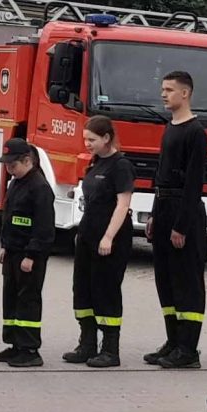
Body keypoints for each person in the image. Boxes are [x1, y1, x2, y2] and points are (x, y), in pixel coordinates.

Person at [144, 70, 207, 369]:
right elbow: (161, 175)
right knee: (166, 281)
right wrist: (155, 217)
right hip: (164, 206)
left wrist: (181, 226)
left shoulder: (196, 132)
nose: (163, 94)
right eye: (163, 89)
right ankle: (173, 341)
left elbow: (194, 184)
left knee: (186, 283)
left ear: (185, 93)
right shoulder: (169, 127)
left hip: (185, 212)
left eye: (169, 89)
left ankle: (188, 349)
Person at [63, 116, 135, 368]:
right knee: (83, 289)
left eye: (92, 139)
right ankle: (87, 344)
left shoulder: (120, 165)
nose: (87, 144)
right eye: (85, 139)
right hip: (87, 234)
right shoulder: (95, 163)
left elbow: (123, 204)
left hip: (109, 237)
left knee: (106, 290)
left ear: (106, 138)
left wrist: (108, 237)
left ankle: (110, 350)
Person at [0, 138, 55, 368]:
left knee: (27, 300)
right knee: (10, 298)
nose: (9, 169)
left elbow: (43, 227)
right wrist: (5, 246)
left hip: (29, 256)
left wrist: (32, 255)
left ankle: (30, 349)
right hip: (13, 251)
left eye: (13, 165)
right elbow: (10, 218)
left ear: (27, 160)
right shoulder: (16, 183)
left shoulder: (40, 187)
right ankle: (15, 344)